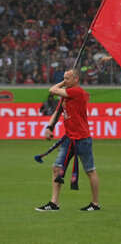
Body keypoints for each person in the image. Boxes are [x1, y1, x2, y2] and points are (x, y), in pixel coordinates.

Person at [36, 68, 100, 212]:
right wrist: (49, 127)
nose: (65, 81)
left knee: (90, 171)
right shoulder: (65, 96)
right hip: (68, 139)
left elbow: (51, 90)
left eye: (68, 78)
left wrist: (61, 83)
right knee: (56, 168)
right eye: (64, 77)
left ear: (76, 79)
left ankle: (95, 204)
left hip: (82, 139)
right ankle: (54, 203)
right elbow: (57, 113)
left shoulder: (77, 92)